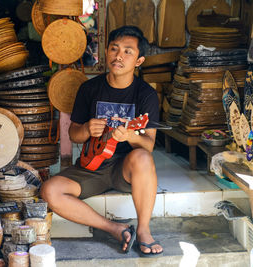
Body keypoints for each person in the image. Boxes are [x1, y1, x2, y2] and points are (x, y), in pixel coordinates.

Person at [40, 25, 163, 257]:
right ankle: (116, 229)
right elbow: (73, 134)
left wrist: (130, 135)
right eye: (114, 49)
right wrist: (86, 129)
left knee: (142, 156)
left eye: (128, 51)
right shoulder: (89, 89)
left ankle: (144, 230)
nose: (119, 56)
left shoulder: (146, 94)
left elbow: (149, 144)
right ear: (106, 53)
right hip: (91, 167)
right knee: (49, 191)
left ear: (139, 60)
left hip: (125, 168)